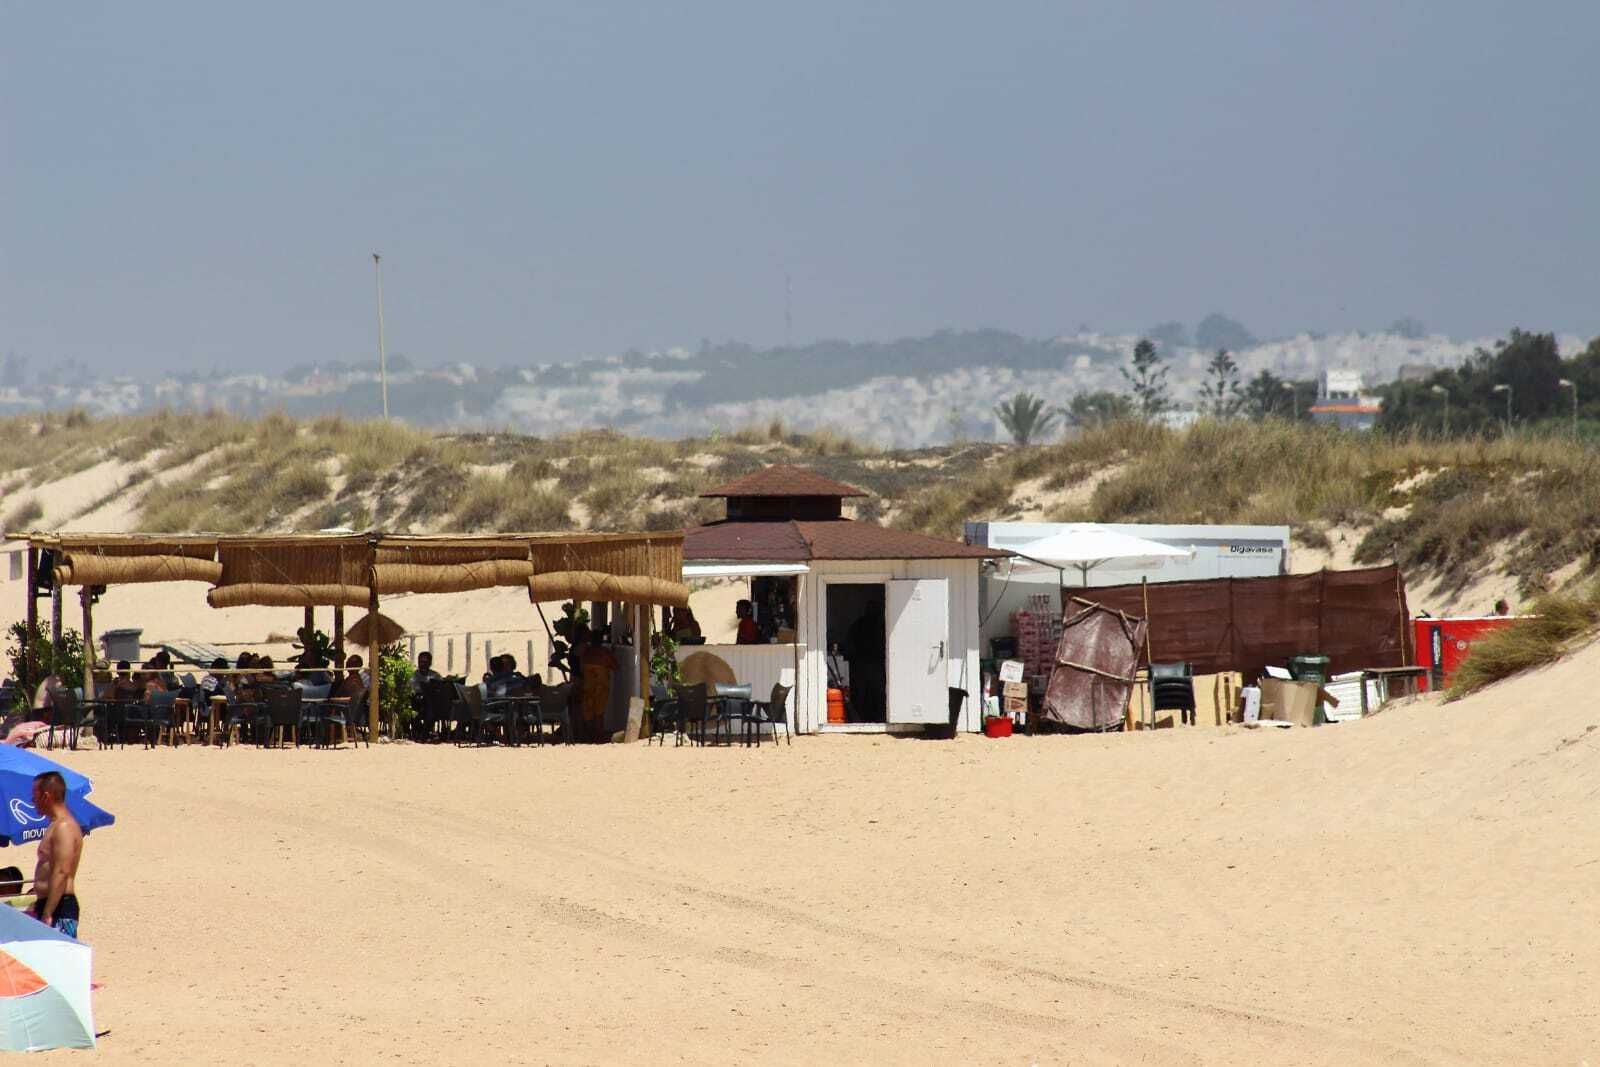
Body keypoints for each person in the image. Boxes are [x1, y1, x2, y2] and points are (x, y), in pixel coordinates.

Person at [29, 771, 83, 938]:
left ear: (46, 796)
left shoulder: (64, 827)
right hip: (47, 905)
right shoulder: (55, 825)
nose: (33, 802)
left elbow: (61, 871)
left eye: (34, 796)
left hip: (59, 908)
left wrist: (48, 913)